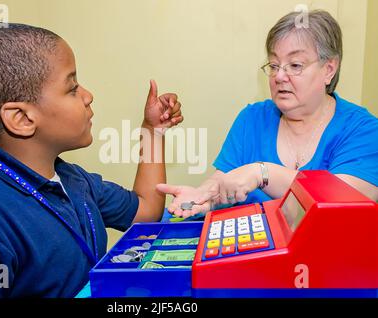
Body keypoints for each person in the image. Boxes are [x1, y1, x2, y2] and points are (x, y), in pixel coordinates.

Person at [0, 23, 183, 297]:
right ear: (22, 118)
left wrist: (153, 132)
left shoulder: (72, 180)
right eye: (72, 88)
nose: (88, 96)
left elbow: (145, 212)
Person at [157, 10, 378, 218]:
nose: (279, 76)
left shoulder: (363, 129)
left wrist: (262, 174)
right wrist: (204, 196)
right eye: (274, 65)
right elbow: (223, 179)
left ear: (329, 69)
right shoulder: (251, 119)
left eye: (295, 65)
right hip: (253, 254)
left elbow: (341, 207)